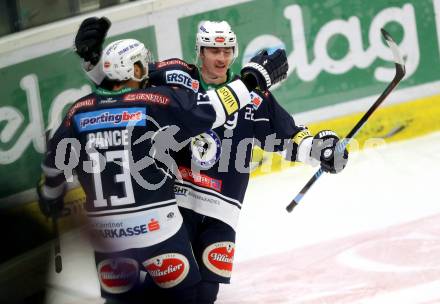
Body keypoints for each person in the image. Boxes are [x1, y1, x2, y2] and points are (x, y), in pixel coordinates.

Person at [73, 17, 348, 303]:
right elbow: (122, 87)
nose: (222, 57)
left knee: (205, 293)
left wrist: (323, 149)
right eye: (214, 51)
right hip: (175, 202)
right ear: (200, 52)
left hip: (222, 210)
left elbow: (288, 137)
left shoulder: (255, 98)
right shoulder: (174, 76)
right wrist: (93, 62)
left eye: (227, 50)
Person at [37, 36, 288, 304]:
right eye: (143, 64)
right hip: (156, 228)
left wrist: (50, 197)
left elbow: (53, 168)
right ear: (133, 70)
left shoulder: (77, 111)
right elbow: (210, 110)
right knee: (191, 297)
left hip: (107, 237)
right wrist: (252, 80)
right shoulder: (153, 101)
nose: (149, 68)